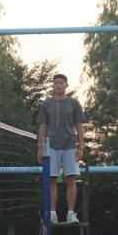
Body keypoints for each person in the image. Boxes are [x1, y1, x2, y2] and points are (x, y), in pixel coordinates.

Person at [36, 73, 86, 224]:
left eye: (61, 83)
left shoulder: (74, 103)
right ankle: (52, 214)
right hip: (51, 147)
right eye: (56, 83)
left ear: (66, 85)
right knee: (52, 180)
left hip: (70, 146)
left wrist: (81, 147)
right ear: (53, 85)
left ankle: (71, 214)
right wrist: (40, 148)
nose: (58, 85)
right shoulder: (47, 104)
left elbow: (79, 126)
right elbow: (42, 127)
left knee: (71, 179)